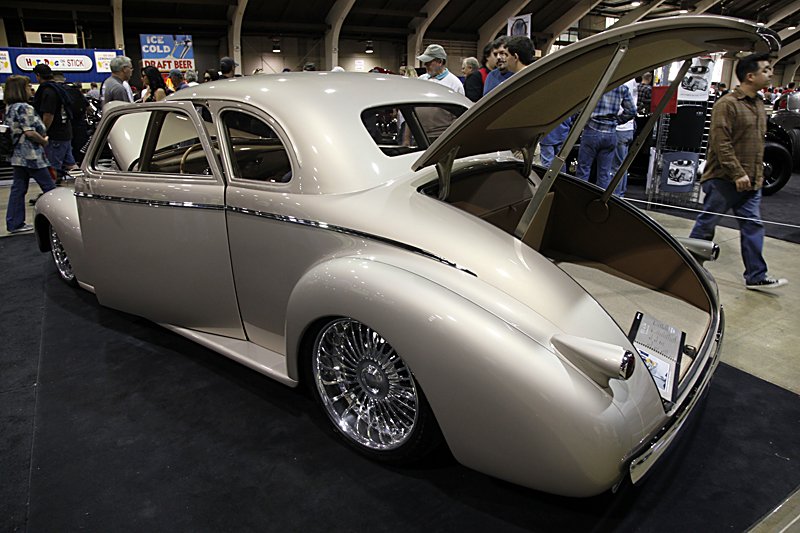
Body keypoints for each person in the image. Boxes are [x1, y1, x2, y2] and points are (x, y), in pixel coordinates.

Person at [689, 52, 787, 291]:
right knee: (706, 226)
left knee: (753, 226)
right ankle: (687, 270)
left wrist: (756, 175)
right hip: (723, 181)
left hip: (751, 182)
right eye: (766, 70)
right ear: (750, 76)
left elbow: (757, 143)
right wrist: (737, 173)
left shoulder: (759, 104)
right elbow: (720, 143)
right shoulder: (727, 104)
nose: (771, 73)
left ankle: (756, 276)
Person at [3, 75, 56, 233]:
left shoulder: (9, 108)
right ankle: (59, 220)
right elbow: (29, 132)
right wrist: (43, 141)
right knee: (50, 188)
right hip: (31, 154)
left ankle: (14, 223)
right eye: (27, 86)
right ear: (21, 89)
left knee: (18, 189)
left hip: (17, 155)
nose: (30, 89)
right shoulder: (24, 107)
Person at [575, 84, 636, 190]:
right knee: (604, 173)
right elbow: (632, 111)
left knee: (583, 170)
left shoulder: (594, 84)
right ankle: (601, 199)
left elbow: (578, 108)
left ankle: (579, 196)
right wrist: (617, 120)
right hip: (610, 132)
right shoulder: (622, 87)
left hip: (591, 130)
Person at [32, 64, 76, 182]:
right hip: (65, 131)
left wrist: (42, 132)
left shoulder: (47, 91)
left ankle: (51, 189)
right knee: (70, 164)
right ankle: (85, 183)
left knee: (52, 166)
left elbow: (48, 114)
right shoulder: (59, 88)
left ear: (38, 76)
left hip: (54, 135)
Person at [611, 78, 639, 196]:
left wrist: (617, 121)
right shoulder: (632, 80)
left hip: (621, 129)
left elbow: (622, 108)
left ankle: (616, 195)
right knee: (622, 165)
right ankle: (621, 193)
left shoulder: (622, 82)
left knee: (615, 167)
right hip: (629, 128)